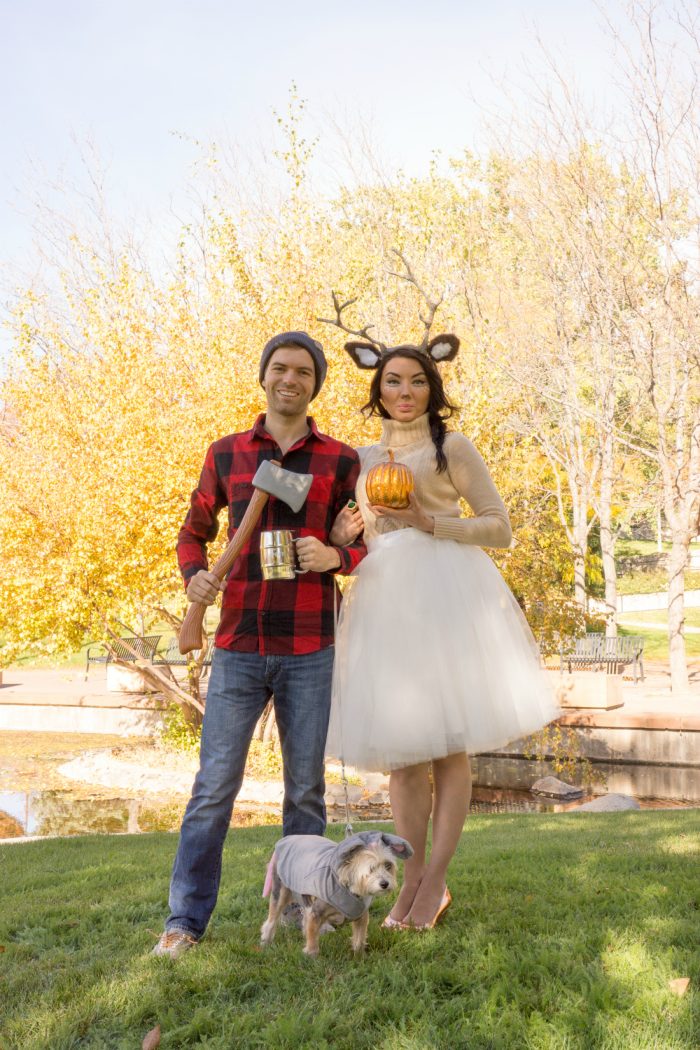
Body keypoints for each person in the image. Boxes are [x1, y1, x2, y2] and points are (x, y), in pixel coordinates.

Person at [326, 335, 559, 930]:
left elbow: (499, 528)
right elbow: (360, 532)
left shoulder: (450, 446)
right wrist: (344, 536)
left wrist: (431, 523)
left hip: (446, 595)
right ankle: (408, 882)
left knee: (450, 750)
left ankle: (433, 885)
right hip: (385, 601)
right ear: (377, 390)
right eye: (393, 382)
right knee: (403, 760)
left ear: (434, 387)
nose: (405, 393)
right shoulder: (360, 457)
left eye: (417, 381)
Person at [153, 331, 366, 958]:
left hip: (309, 646)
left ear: (315, 384)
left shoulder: (341, 460)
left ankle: (310, 915)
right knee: (214, 787)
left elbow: (369, 545)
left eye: (303, 371)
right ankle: (184, 923)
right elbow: (192, 533)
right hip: (239, 643)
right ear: (264, 376)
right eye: (280, 368)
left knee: (305, 791)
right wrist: (194, 575)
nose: (290, 379)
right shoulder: (225, 454)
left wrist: (337, 553)